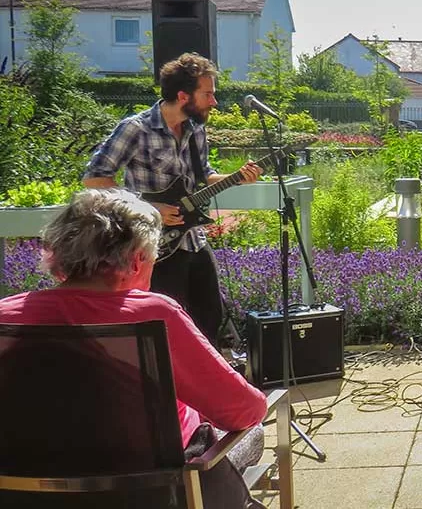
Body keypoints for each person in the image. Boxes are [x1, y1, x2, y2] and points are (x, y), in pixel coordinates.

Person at [0, 188, 267, 507]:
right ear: (139, 259)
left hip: (27, 493)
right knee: (256, 429)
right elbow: (242, 410)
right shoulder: (153, 314)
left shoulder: (6, 316)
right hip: (154, 493)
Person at [82, 53, 262, 345]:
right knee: (165, 323)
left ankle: (201, 383)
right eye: (208, 94)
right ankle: (167, 386)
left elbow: (205, 175)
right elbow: (94, 178)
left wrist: (238, 176)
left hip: (193, 237)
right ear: (182, 95)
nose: (214, 102)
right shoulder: (136, 128)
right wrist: (149, 208)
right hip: (153, 243)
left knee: (209, 316)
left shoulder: (196, 130)